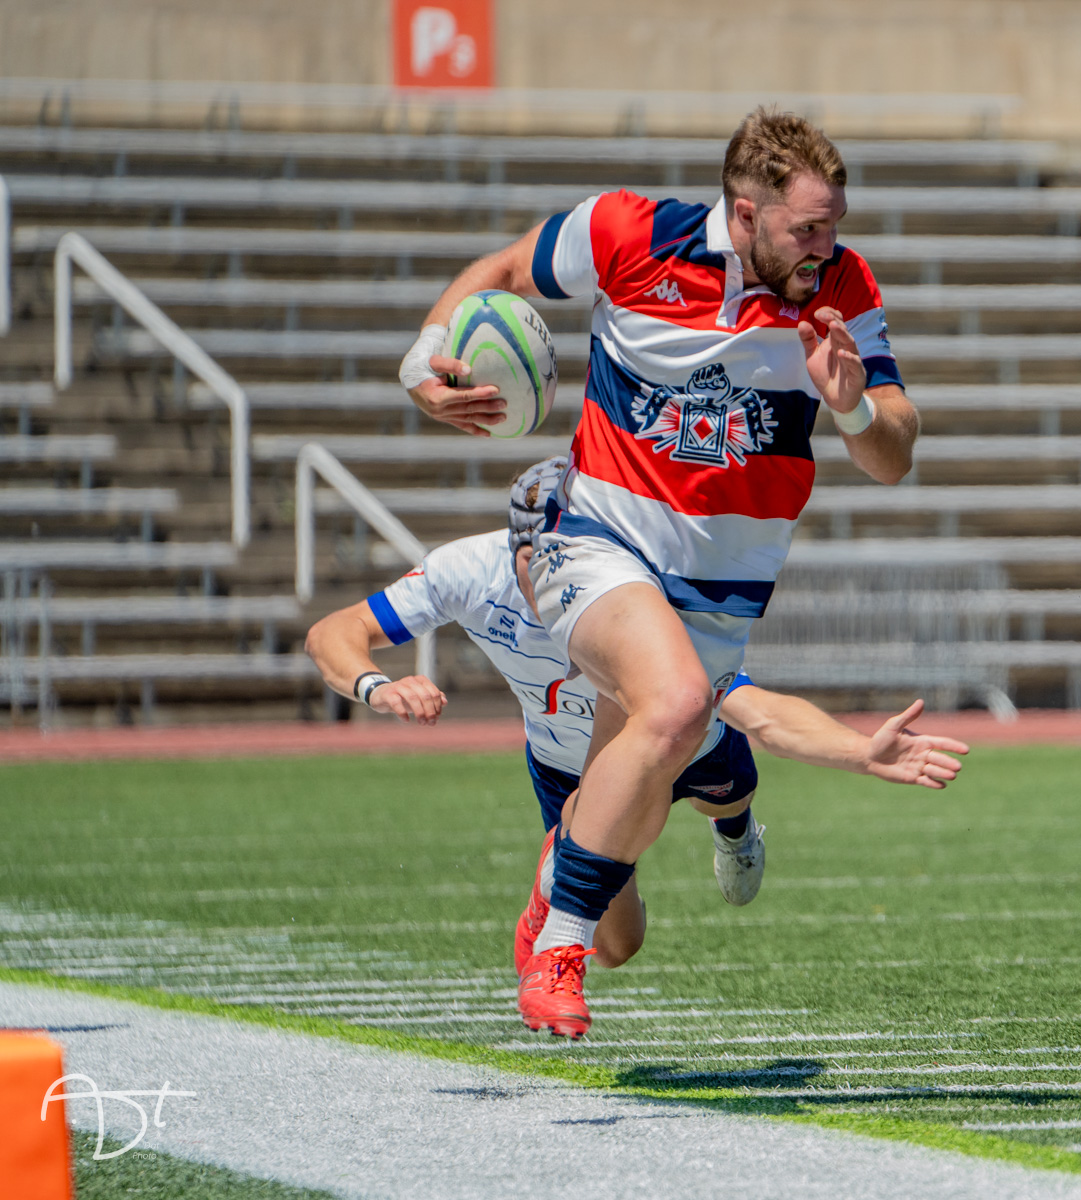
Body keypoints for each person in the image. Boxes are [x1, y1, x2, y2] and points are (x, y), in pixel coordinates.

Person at [396, 108, 919, 1030]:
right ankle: (556, 953)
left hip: (722, 595)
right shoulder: (630, 234)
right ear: (745, 214)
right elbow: (507, 271)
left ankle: (567, 894)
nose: (827, 245)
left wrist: (853, 413)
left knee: (632, 852)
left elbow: (896, 454)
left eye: (835, 223)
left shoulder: (844, 284)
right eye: (808, 226)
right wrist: (420, 362)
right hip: (592, 543)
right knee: (677, 706)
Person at [304, 461, 966, 1038]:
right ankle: (565, 855)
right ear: (520, 545)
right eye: (554, 553)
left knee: (730, 790)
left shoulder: (643, 594)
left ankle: (735, 832)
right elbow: (338, 630)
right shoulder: (468, 571)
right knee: (619, 946)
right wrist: (374, 685)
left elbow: (758, 711)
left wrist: (859, 751)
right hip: (573, 768)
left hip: (684, 743)